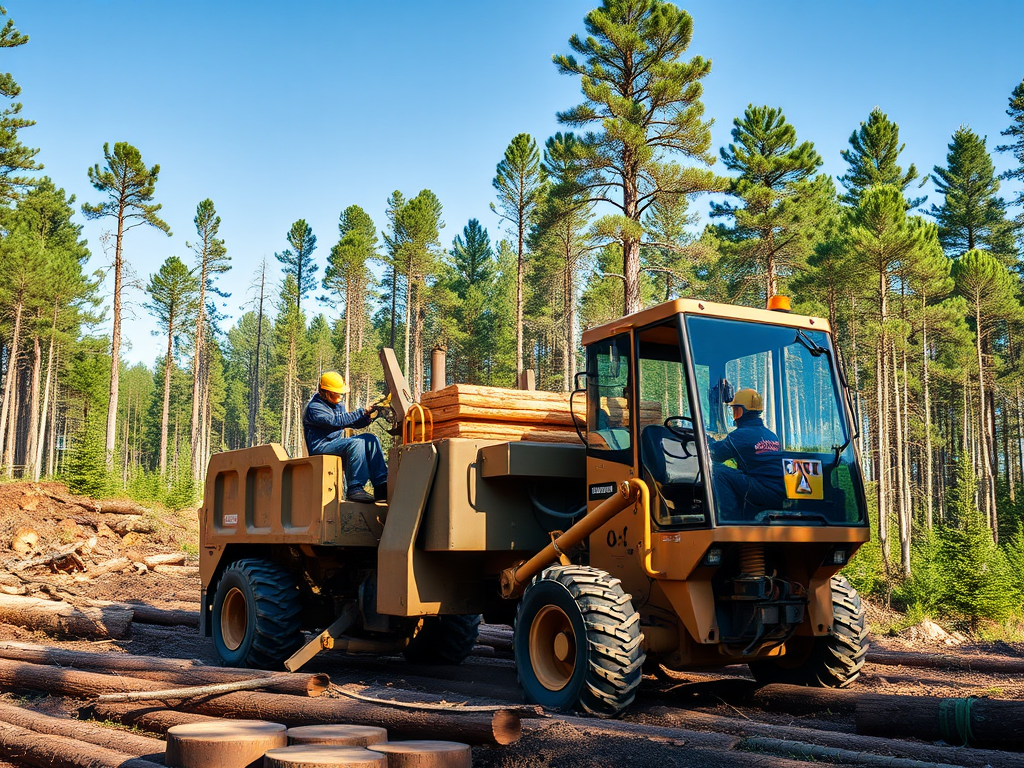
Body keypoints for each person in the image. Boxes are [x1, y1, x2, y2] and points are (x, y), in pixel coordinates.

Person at [302, 371, 387, 503]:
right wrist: (361, 411)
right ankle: (355, 488)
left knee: (370, 439)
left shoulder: (337, 405)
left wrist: (368, 416)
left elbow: (351, 423)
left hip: (336, 443)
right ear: (325, 392)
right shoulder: (314, 407)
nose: (340, 397)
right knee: (356, 443)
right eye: (337, 394)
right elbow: (336, 421)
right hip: (320, 447)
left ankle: (381, 484)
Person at [708, 388, 786, 519]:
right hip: (779, 491)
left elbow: (715, 454)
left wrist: (706, 440)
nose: (733, 414)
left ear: (740, 411)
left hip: (762, 489)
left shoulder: (741, 435)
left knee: (713, 470)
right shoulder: (771, 435)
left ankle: (728, 519)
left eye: (734, 410)